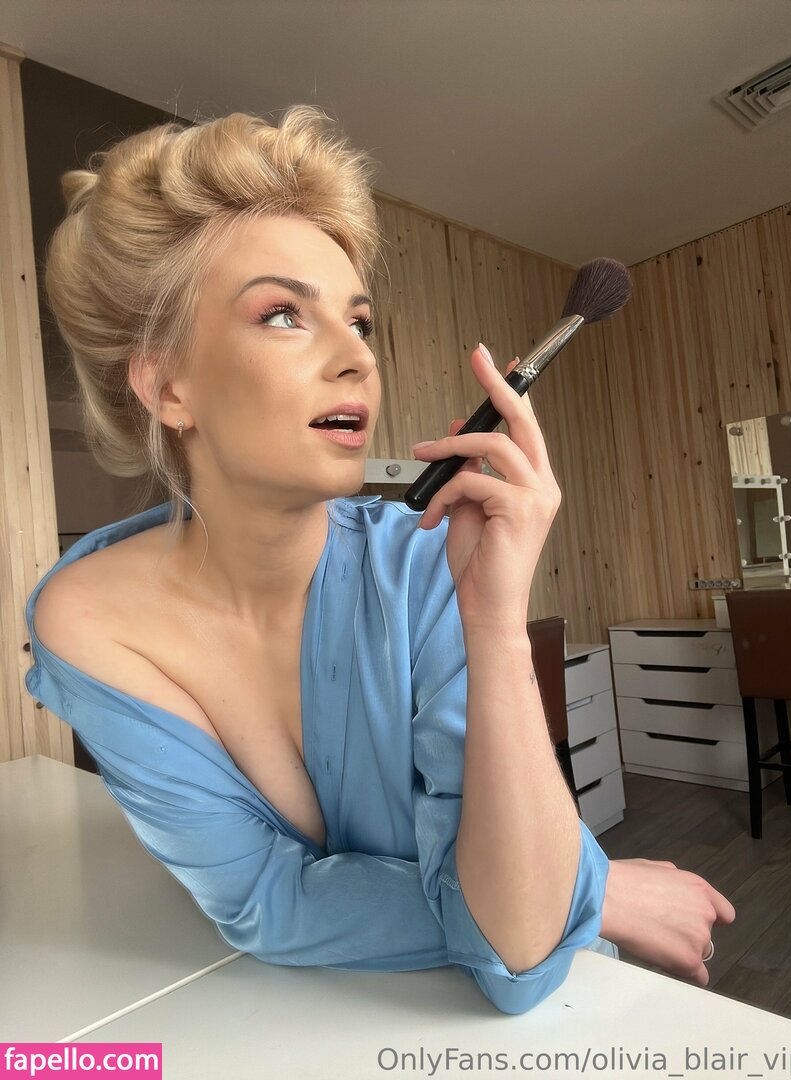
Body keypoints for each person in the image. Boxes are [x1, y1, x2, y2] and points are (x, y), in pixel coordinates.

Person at [24, 106, 734, 1016]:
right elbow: (262, 905)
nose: (356, 356)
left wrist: (494, 623)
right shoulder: (88, 622)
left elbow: (518, 957)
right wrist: (592, 890)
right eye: (284, 313)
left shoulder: (426, 565)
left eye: (359, 320)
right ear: (168, 386)